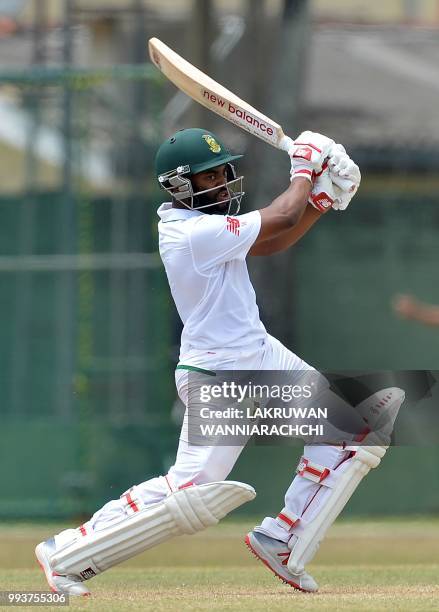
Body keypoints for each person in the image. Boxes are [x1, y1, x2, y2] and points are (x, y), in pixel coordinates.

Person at [35, 128, 404, 596]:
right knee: (191, 493)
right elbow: (282, 214)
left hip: (258, 353)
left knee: (357, 431)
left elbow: (272, 239)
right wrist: (305, 171)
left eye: (225, 171)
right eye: (210, 176)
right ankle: (67, 551)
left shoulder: (212, 228)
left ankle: (285, 539)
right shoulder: (190, 233)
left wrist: (324, 197)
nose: (224, 181)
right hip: (222, 370)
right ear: (179, 185)